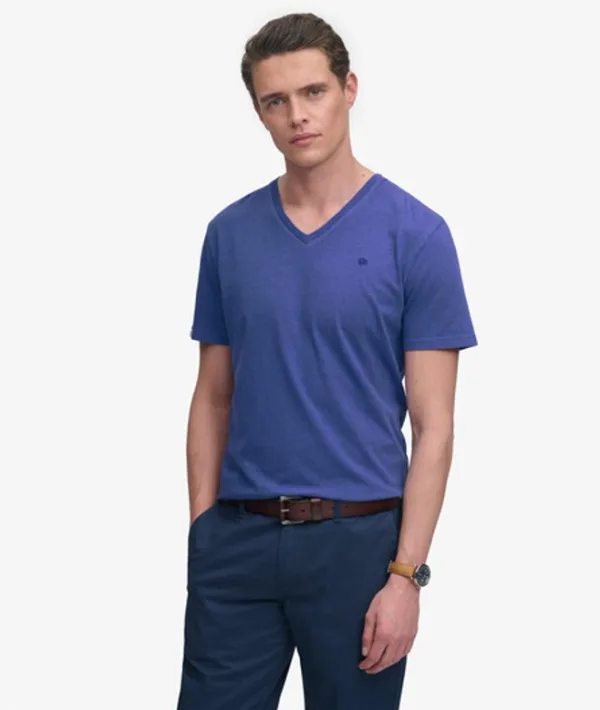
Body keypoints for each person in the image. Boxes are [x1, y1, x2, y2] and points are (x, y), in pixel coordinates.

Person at [176, 11, 477, 710]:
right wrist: (203, 531)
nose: (297, 116)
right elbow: (213, 396)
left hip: (360, 549)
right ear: (259, 112)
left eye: (313, 92)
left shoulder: (417, 235)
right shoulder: (228, 235)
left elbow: (434, 426)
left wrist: (406, 575)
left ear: (349, 89)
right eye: (275, 101)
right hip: (238, 542)